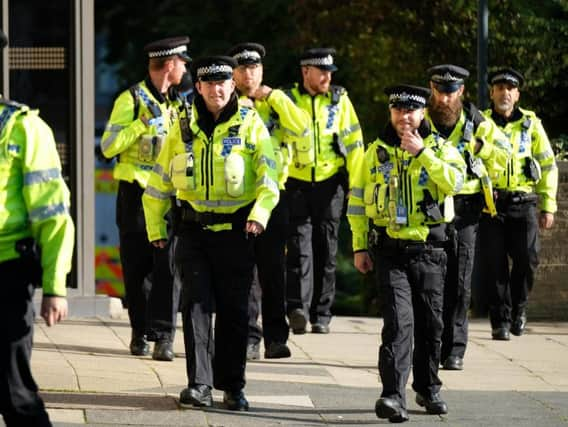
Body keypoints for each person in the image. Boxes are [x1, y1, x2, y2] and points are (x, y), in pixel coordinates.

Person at [142, 55, 279, 411]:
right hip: (193, 232)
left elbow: (270, 177)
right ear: (198, 87)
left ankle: (233, 386)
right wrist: (156, 227)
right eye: (209, 84)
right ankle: (199, 385)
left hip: (238, 232)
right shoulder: (181, 128)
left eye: (223, 83)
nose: (217, 89)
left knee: (235, 311)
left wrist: (260, 214)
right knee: (195, 307)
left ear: (233, 85)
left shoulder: (251, 123)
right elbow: (158, 183)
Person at [348, 84, 466, 423]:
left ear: (423, 112)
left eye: (411, 110)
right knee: (398, 324)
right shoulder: (373, 153)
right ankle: (392, 395)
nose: (404, 117)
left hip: (431, 251)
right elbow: (356, 204)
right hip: (391, 252)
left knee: (430, 325)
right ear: (391, 113)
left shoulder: (440, 148)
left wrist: (422, 154)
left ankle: (427, 388)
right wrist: (359, 246)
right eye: (398, 110)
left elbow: (456, 182)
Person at [0, 29, 75, 427]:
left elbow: (52, 216)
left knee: (15, 393)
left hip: (7, 273)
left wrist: (55, 287)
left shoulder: (24, 128)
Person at [101, 36, 190, 361]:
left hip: (168, 196)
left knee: (167, 266)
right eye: (182, 62)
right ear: (169, 64)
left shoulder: (179, 102)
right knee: (136, 269)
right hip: (134, 195)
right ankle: (140, 331)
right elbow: (108, 147)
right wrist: (139, 125)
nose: (185, 68)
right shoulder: (131, 99)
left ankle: (164, 335)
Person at [227, 42, 310, 360]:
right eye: (244, 68)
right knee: (245, 271)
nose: (249, 74)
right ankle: (250, 335)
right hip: (239, 198)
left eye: (255, 68)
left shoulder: (277, 101)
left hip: (275, 196)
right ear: (234, 73)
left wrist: (274, 96)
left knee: (273, 270)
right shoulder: (227, 102)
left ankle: (276, 337)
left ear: (262, 70)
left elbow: (302, 129)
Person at [425, 64, 511, 370]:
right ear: (432, 89)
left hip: (466, 209)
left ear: (461, 91)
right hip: (430, 209)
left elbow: (504, 154)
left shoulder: (478, 121)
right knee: (432, 282)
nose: (445, 99)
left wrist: (478, 147)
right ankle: (431, 347)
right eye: (439, 91)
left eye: (451, 92)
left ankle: (455, 349)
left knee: (460, 282)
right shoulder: (421, 118)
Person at [284, 47, 364, 334]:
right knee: (298, 248)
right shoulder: (289, 99)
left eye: (330, 72)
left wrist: (356, 185)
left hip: (331, 184)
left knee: (327, 249)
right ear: (306, 71)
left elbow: (355, 144)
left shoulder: (340, 101)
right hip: (296, 183)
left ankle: (322, 313)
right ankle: (297, 309)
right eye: (322, 72)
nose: (328, 77)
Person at [480, 68, 557, 340]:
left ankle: (518, 311)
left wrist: (548, 205)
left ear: (517, 94)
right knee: (494, 265)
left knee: (528, 260)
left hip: (524, 202)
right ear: (492, 93)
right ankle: (499, 320)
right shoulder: (482, 123)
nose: (504, 93)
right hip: (491, 204)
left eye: (509, 89)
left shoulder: (531, 124)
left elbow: (547, 165)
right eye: (499, 88)